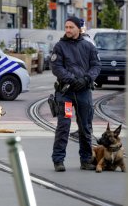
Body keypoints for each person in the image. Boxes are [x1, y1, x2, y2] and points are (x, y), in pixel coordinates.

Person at [50, 16, 101, 171]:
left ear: (79, 28)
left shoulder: (89, 46)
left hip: (83, 92)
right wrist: (73, 80)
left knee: (85, 126)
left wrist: (86, 79)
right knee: (64, 125)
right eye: (66, 27)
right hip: (66, 93)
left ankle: (86, 160)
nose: (68, 30)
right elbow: (56, 67)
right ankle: (58, 160)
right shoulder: (59, 46)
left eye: (71, 27)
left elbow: (96, 66)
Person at [69, 19, 95, 139]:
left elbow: (94, 62)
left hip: (83, 82)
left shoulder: (87, 41)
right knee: (72, 109)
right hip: (72, 83)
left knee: (84, 107)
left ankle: (86, 130)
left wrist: (88, 78)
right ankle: (81, 129)